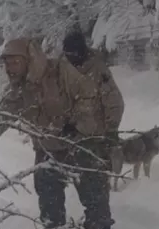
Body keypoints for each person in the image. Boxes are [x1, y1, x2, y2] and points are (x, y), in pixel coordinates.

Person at [0, 37, 114, 229]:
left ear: (29, 59)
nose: (9, 68)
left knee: (93, 188)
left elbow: (87, 95)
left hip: (80, 141)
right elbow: (7, 110)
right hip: (47, 146)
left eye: (15, 62)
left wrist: (77, 124)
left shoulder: (59, 71)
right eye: (6, 63)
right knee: (47, 189)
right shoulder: (18, 87)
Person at [62, 30, 125, 196]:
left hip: (96, 137)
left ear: (81, 51)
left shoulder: (98, 69)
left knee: (95, 185)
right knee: (80, 182)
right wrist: (65, 123)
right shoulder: (64, 68)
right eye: (67, 53)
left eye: (73, 53)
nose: (70, 57)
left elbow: (115, 102)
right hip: (73, 136)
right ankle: (92, 217)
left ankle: (99, 219)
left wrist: (112, 130)